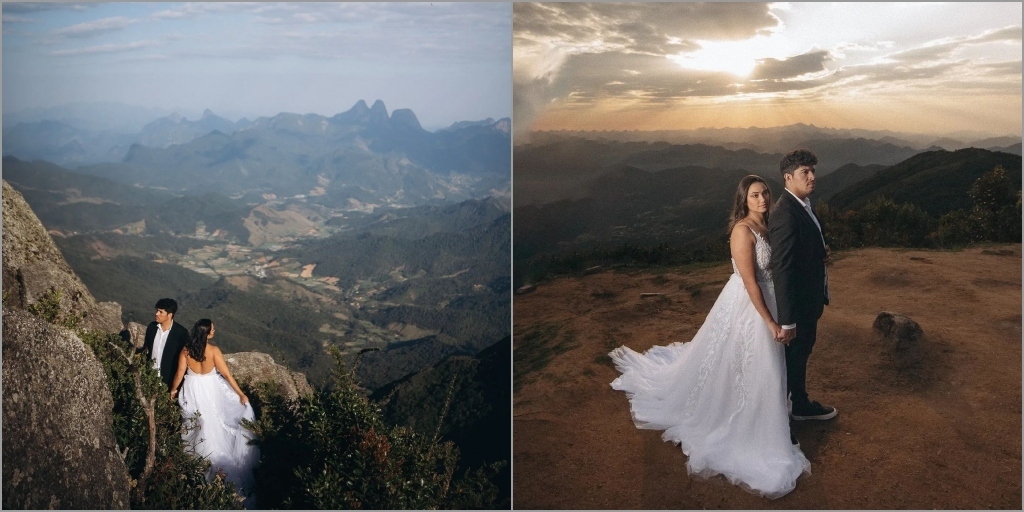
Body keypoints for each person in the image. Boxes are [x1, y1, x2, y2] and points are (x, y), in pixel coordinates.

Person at [609, 175, 810, 498]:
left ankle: (769, 416)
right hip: (750, 305)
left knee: (766, 365)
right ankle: (752, 424)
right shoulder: (742, 231)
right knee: (753, 362)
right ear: (744, 200)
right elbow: (749, 282)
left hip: (773, 298)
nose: (762, 200)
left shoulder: (769, 226)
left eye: (765, 194)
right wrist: (771, 321)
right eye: (755, 195)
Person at [769, 149, 838, 422]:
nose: (812, 177)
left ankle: (797, 404)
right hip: (797, 306)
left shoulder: (802, 205)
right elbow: (782, 268)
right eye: (805, 173)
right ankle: (782, 417)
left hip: (808, 301)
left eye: (813, 171)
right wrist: (787, 321)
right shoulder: (785, 213)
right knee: (792, 360)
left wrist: (820, 251)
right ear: (788, 178)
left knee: (802, 354)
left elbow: (801, 249)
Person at [170, 319, 258, 506]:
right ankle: (216, 466)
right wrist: (241, 394)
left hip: (193, 389)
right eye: (213, 329)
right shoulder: (214, 351)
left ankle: (197, 461)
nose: (215, 330)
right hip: (211, 389)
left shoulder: (186, 350)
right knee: (214, 421)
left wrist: (173, 390)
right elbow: (226, 374)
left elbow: (179, 374)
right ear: (207, 333)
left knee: (197, 423)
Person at [140, 298, 189, 390]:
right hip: (150, 377)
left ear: (169, 315)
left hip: (168, 380)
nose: (156, 314)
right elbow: (146, 349)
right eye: (157, 311)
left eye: (160, 312)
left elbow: (183, 360)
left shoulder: (181, 333)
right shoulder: (152, 327)